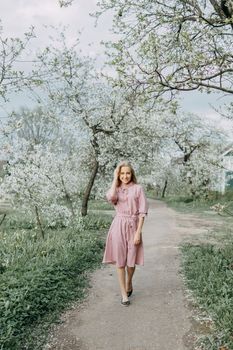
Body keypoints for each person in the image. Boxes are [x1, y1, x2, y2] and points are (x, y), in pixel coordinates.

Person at [102, 161, 148, 306]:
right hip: (118, 225)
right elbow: (110, 198)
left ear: (132, 174)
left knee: (131, 261)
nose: (125, 176)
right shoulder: (115, 189)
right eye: (122, 173)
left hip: (133, 225)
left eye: (127, 173)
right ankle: (124, 294)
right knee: (120, 261)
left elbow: (142, 212)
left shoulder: (138, 189)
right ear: (118, 174)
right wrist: (115, 179)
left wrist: (138, 232)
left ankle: (129, 282)